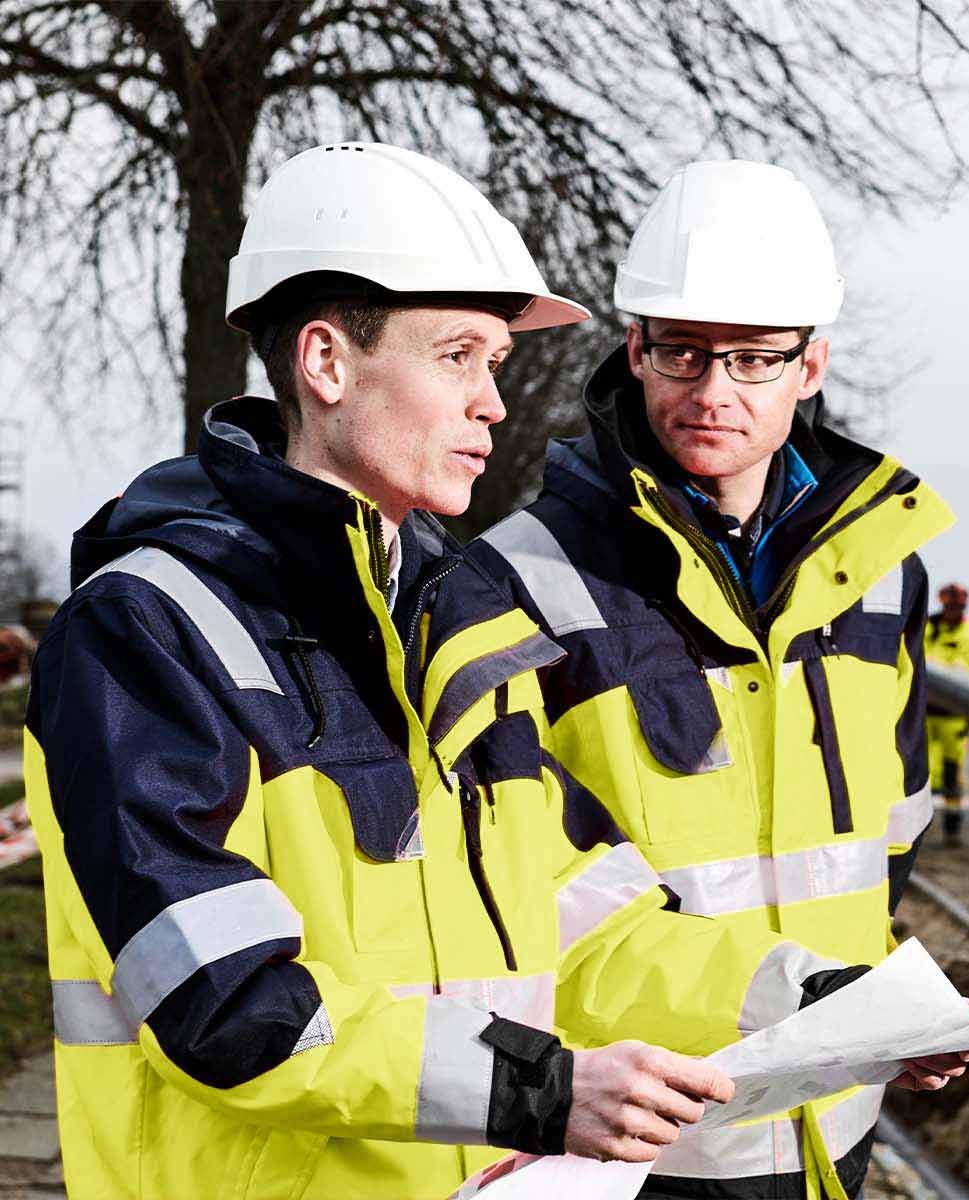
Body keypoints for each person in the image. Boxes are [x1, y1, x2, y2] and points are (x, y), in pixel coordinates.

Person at [22, 144, 874, 1199]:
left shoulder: (462, 629)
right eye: (458, 357)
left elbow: (582, 923)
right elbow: (219, 997)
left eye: (495, 365)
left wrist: (810, 996)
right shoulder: (147, 633)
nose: (493, 405)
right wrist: (542, 1090)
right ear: (327, 364)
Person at [470, 159, 969, 1200]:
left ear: (812, 363)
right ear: (634, 349)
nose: (713, 395)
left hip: (834, 1118)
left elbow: (891, 833)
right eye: (684, 354)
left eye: (752, 361)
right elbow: (527, 888)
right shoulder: (515, 578)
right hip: (636, 1136)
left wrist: (877, 1011)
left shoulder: (882, 575)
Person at [923, 583, 969, 846]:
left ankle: (952, 831)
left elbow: (968, 672)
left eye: (957, 606)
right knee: (917, 772)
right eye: (950, 605)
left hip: (953, 716)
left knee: (952, 773)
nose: (953, 610)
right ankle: (916, 830)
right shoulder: (927, 628)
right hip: (925, 714)